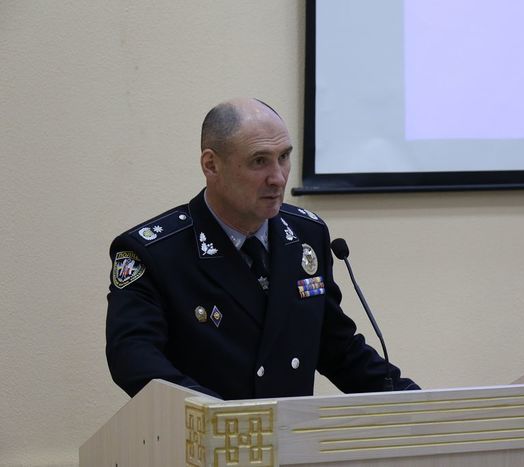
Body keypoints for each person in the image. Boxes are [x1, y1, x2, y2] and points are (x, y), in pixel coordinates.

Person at [106, 98, 419, 400]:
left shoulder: (307, 234)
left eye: (284, 157)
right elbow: (134, 360)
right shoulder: (156, 252)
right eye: (259, 161)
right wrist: (215, 417)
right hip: (203, 432)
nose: (278, 178)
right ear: (211, 165)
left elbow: (337, 348)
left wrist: (415, 403)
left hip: (288, 434)